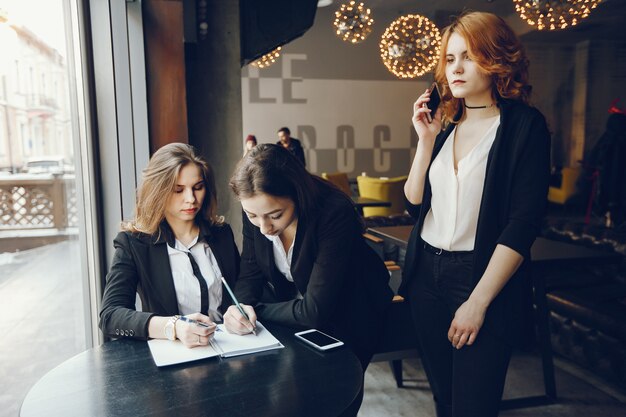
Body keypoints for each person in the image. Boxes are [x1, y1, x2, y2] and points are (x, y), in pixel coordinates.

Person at [400, 12, 551, 417]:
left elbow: (523, 224)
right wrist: (425, 140)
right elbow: (414, 202)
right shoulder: (446, 123)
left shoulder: (524, 126)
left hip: (479, 278)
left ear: (496, 58)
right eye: (450, 59)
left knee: (474, 405)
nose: (456, 69)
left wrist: (477, 302)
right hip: (425, 275)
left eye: (469, 56)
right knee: (445, 400)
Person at [226, 143, 392, 414]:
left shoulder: (333, 211)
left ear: (297, 194)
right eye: (252, 216)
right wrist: (240, 305)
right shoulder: (257, 212)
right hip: (300, 310)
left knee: (334, 401)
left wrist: (255, 310)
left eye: (275, 215)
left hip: (353, 309)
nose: (264, 227)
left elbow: (315, 311)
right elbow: (251, 270)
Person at [99, 143, 240, 348]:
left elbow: (242, 291)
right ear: (158, 191)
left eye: (198, 187)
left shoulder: (221, 234)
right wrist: (173, 326)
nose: (191, 199)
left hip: (230, 348)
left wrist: (242, 312)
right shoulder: (134, 244)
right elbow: (110, 316)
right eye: (178, 190)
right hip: (174, 356)